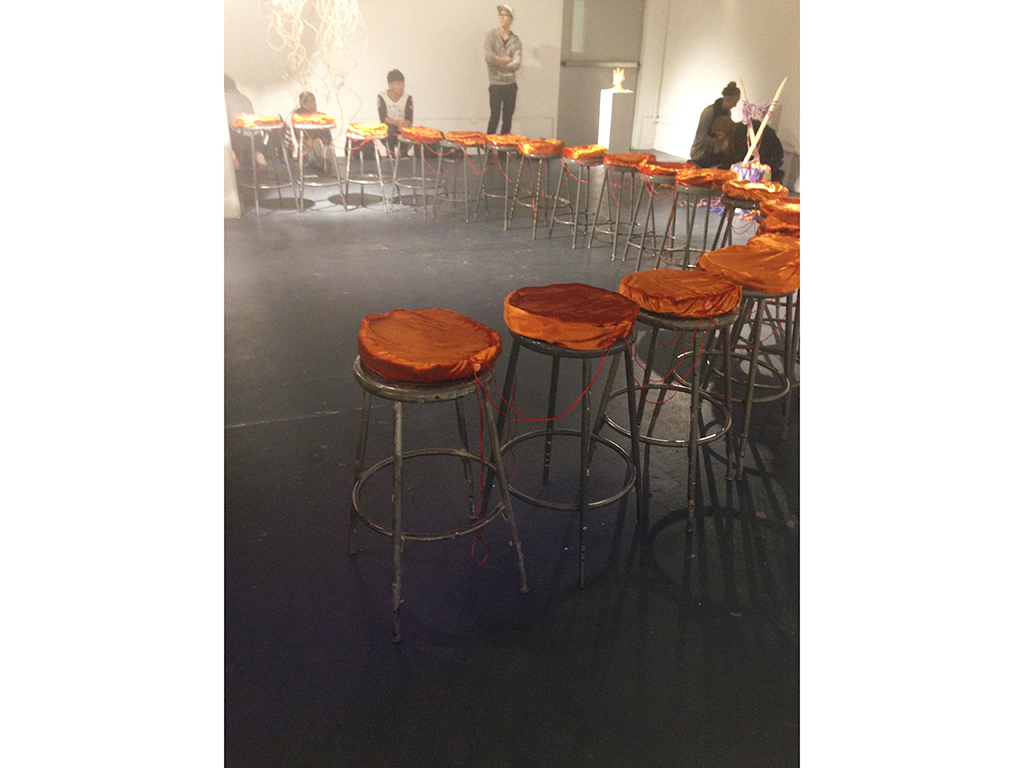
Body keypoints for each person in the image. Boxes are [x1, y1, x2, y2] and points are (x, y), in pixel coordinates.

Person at [484, 4, 522, 135]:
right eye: (500, 15)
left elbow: (517, 63)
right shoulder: (491, 36)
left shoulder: (515, 40)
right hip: (495, 84)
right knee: (494, 118)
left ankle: (504, 146)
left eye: (505, 15)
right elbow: (489, 57)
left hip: (510, 85)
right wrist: (505, 60)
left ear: (511, 19)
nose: (501, 17)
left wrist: (501, 61)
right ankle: (489, 146)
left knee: (507, 119)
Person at [689, 81, 740, 164]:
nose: (735, 106)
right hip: (701, 153)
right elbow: (701, 137)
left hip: (715, 152)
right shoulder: (709, 112)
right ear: (729, 100)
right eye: (735, 102)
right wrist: (719, 144)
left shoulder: (728, 113)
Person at [225, 75, 266, 169]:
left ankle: (233, 157)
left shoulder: (224, 97)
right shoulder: (244, 98)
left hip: (239, 139)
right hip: (256, 138)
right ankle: (258, 154)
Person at [288, 91, 334, 172]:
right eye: (311, 101)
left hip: (319, 144)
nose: (314, 104)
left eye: (314, 101)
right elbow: (302, 138)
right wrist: (310, 141)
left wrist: (324, 140)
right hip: (306, 147)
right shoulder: (299, 115)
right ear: (303, 103)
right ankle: (321, 159)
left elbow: (326, 137)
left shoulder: (319, 117)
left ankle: (323, 157)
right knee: (311, 149)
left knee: (323, 144)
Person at [377, 69, 414, 156]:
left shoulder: (408, 98)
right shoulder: (382, 96)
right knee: (389, 130)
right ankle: (390, 152)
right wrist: (398, 123)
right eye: (397, 84)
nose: (401, 87)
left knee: (412, 132)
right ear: (390, 85)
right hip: (389, 128)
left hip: (402, 128)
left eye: (402, 84)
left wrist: (404, 124)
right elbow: (383, 118)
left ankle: (403, 151)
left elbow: (409, 119)